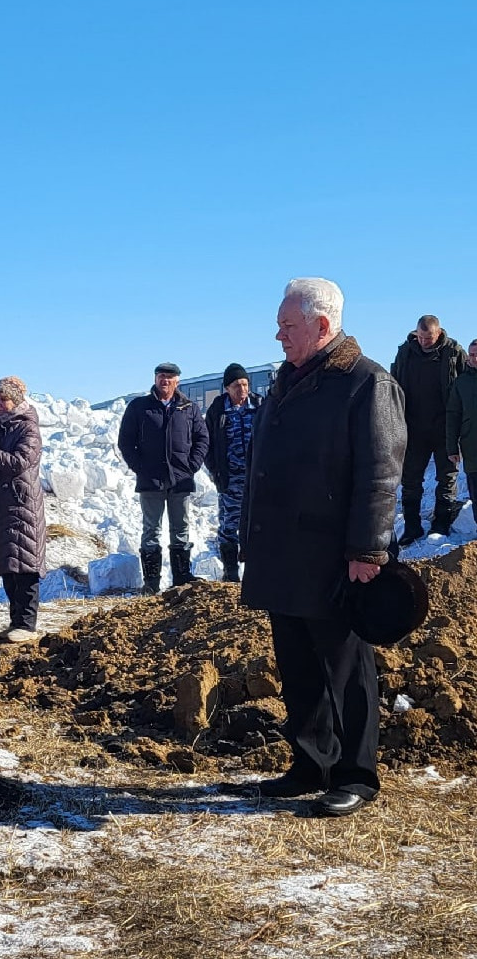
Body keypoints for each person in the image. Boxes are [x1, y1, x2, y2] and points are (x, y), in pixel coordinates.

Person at [241, 277, 404, 817]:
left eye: (288, 326)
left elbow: (380, 474)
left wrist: (368, 550)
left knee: (345, 666)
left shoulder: (365, 383)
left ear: (322, 326)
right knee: (297, 662)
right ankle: (311, 762)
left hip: (334, 554)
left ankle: (357, 774)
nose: (278, 336)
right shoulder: (288, 381)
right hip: (284, 550)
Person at [117, 362, 210, 592]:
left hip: (181, 479)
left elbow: (202, 438)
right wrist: (139, 467)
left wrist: (192, 465)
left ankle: (181, 578)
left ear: (177, 381)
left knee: (181, 529)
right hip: (151, 481)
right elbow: (126, 441)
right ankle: (151, 584)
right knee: (151, 531)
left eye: (169, 377)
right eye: (161, 376)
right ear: (155, 378)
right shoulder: (140, 406)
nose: (164, 380)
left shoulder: (188, 408)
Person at [0, 377, 46, 643]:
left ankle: (27, 624)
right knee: (8, 565)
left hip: (21, 505)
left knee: (25, 566)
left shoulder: (28, 428)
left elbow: (20, 462)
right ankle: (16, 621)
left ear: (15, 401)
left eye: (3, 399)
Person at [391, 314, 464, 542]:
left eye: (429, 338)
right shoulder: (406, 353)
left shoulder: (453, 353)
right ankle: (412, 527)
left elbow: (465, 384)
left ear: (439, 333)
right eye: (421, 337)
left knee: (447, 477)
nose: (424, 342)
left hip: (445, 427)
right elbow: (394, 385)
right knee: (410, 480)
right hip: (414, 427)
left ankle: (441, 524)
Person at [205, 364, 261, 582]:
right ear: (227, 388)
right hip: (231, 479)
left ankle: (257, 571)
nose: (242, 389)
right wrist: (216, 471)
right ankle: (231, 573)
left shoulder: (259, 406)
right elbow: (206, 443)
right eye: (237, 385)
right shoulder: (218, 410)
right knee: (229, 525)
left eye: (245, 384)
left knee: (258, 523)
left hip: (257, 477)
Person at [445, 339, 477, 508]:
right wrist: (452, 448)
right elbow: (453, 416)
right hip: (472, 449)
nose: (475, 358)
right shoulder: (461, 383)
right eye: (472, 355)